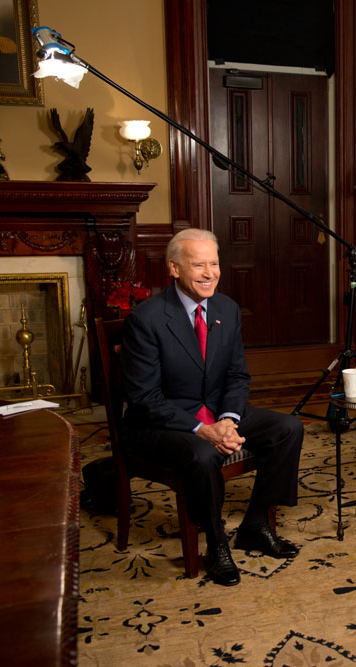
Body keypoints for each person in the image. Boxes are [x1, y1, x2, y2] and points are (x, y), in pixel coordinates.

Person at [120, 228, 304, 586]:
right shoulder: (147, 319)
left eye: (215, 263)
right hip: (160, 423)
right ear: (174, 269)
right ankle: (217, 543)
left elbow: (237, 375)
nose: (210, 273)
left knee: (288, 429)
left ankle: (255, 524)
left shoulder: (227, 309)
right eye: (199, 264)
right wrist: (203, 430)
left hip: (218, 411)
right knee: (202, 455)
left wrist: (228, 420)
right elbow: (144, 399)